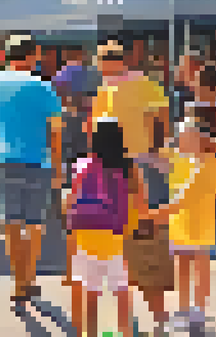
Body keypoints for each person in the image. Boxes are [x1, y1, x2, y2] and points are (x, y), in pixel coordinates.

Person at [90, 40, 174, 327]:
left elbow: (162, 117)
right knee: (125, 237)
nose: (102, 64)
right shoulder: (105, 88)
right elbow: (96, 128)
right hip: (114, 164)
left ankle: (152, 313)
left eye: (106, 58)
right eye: (101, 59)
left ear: (118, 60)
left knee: (145, 234)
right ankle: (137, 316)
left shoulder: (143, 83)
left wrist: (157, 150)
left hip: (141, 161)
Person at [0, 34, 63, 306]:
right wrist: (58, 167)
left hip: (6, 157)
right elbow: (55, 132)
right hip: (38, 159)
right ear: (33, 55)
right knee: (34, 224)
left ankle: (18, 282)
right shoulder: (43, 86)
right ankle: (28, 278)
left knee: (11, 222)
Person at [148, 115, 216, 329]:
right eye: (180, 136)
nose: (180, 139)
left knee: (200, 268)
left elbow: (189, 198)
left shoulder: (207, 164)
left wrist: (149, 215)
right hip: (180, 223)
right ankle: (184, 309)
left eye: (184, 136)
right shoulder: (183, 158)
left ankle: (199, 312)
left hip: (200, 224)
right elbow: (154, 155)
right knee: (182, 267)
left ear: (198, 139)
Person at [66, 120, 138, 337]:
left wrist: (71, 232)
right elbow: (139, 202)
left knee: (91, 291)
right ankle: (126, 332)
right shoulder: (127, 167)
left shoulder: (81, 164)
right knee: (121, 289)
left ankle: (90, 333)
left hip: (85, 233)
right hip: (115, 234)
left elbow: (71, 200)